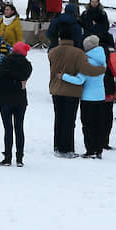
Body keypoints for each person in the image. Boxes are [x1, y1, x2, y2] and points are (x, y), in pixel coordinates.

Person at [48, 24, 106, 158]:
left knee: (59, 118)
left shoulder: (52, 52)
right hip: (71, 91)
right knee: (69, 120)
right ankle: (67, 148)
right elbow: (87, 71)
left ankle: (57, 146)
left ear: (59, 37)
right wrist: (101, 70)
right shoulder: (78, 53)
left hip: (56, 89)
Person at [0, 41, 32, 166]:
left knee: (8, 129)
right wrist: (18, 84)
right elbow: (23, 81)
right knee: (19, 128)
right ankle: (19, 158)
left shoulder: (5, 62)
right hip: (20, 100)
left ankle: (8, 157)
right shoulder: (27, 66)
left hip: (5, 99)